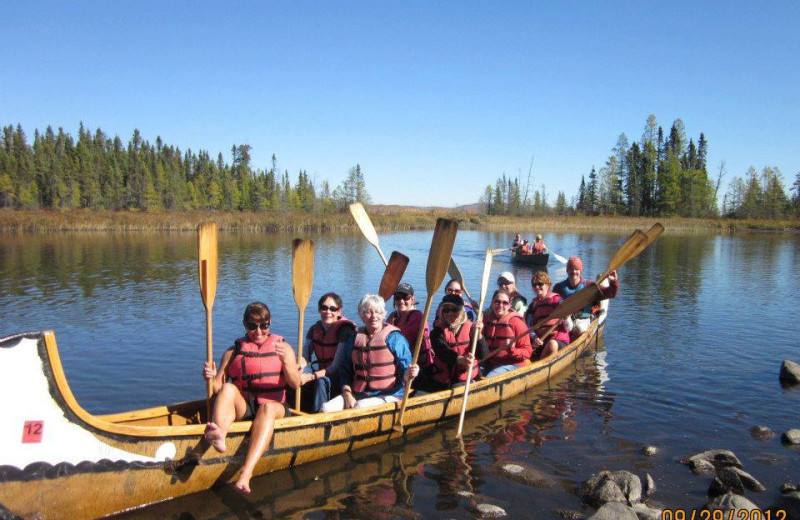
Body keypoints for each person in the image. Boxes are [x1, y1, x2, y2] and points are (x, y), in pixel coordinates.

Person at [202, 302, 301, 493]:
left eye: (263, 326)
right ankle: (220, 435)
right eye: (252, 326)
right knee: (229, 388)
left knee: (268, 408)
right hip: (246, 408)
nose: (258, 331)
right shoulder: (233, 352)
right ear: (244, 325)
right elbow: (218, 388)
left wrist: (287, 362)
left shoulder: (284, 347)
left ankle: (246, 474)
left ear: (269, 323)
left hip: (275, 408)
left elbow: (295, 384)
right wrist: (210, 377)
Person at [321, 294, 419, 412]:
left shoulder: (395, 339)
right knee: (326, 408)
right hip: (358, 394)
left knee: (360, 407)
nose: (374, 316)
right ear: (361, 315)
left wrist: (409, 374)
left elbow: (405, 370)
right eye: (368, 312)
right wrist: (347, 394)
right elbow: (345, 371)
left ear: (383, 315)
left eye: (378, 312)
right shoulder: (354, 339)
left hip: (389, 395)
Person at [298, 292, 356, 412]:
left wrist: (311, 376)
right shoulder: (314, 329)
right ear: (319, 309)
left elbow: (335, 367)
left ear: (339, 311)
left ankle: (318, 418)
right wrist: (299, 367)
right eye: (324, 308)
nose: (328, 312)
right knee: (295, 377)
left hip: (341, 377)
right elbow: (305, 357)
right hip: (322, 371)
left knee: (321, 382)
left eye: (333, 309)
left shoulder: (345, 331)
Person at [428, 294, 488, 390]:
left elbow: (482, 355)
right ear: (442, 312)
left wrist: (479, 335)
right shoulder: (437, 332)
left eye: (455, 310)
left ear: (462, 311)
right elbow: (443, 352)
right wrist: (461, 359)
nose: (450, 313)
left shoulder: (472, 328)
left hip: (467, 378)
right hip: (443, 380)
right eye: (446, 310)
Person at [552, 256, 620, 338]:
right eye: (571, 269)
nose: (574, 271)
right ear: (567, 270)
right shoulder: (558, 287)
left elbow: (611, 293)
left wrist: (613, 281)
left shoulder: (590, 286)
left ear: (581, 270)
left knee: (579, 329)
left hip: (583, 320)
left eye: (576, 269)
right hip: (564, 321)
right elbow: (552, 306)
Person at [481, 289, 532, 378]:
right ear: (492, 303)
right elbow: (480, 348)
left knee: (489, 378)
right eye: (497, 302)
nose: (500, 305)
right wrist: (477, 333)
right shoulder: (486, 321)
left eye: (505, 303)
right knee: (470, 373)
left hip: (511, 363)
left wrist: (511, 349)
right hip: (490, 362)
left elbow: (527, 352)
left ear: (509, 305)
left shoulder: (517, 322)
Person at [524, 271, 572, 360]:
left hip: (559, 341)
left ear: (547, 285)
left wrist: (566, 318)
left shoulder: (558, 302)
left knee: (552, 344)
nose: (537, 287)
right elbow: (528, 327)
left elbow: (569, 328)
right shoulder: (532, 306)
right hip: (541, 341)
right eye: (534, 285)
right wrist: (534, 337)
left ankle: (539, 367)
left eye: (540, 284)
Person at [386, 283, 434, 368]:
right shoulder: (393, 317)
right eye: (398, 298)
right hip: (399, 365)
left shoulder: (418, 318)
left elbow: (423, 343)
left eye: (406, 297)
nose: (401, 301)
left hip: (418, 367)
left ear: (412, 299)